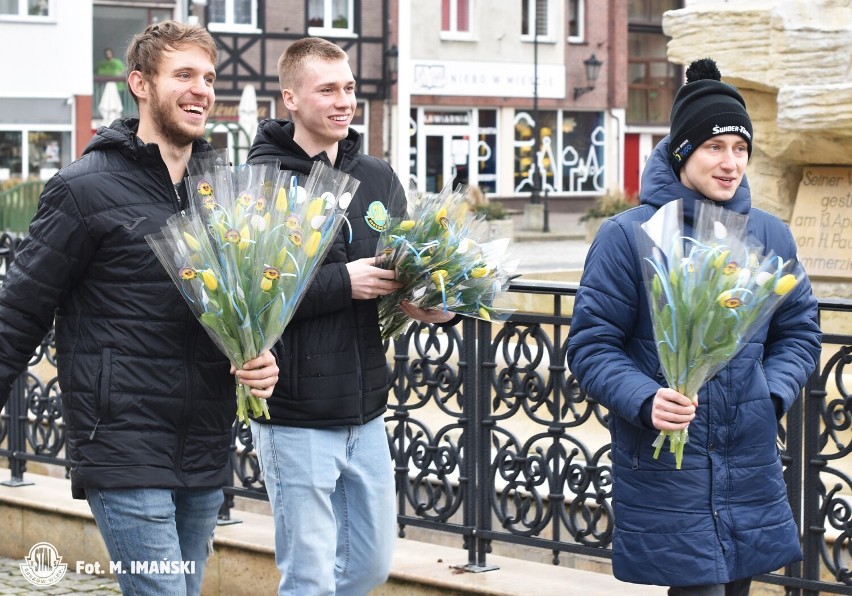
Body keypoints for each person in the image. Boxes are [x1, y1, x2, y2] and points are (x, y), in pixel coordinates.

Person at [0, 20, 279, 596]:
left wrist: (259, 354)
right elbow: (19, 310)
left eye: (208, 76)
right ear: (141, 84)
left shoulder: (221, 192)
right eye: (184, 75)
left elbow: (246, 303)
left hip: (204, 439)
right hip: (123, 438)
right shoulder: (83, 189)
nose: (202, 88)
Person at [566, 58, 821, 595]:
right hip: (668, 466)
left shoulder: (769, 237)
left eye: (741, 149)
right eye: (714, 147)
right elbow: (592, 347)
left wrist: (769, 394)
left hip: (747, 460)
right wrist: (645, 398)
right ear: (682, 152)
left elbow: (799, 331)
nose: (731, 163)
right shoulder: (628, 236)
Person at [246, 37, 455, 595]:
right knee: (309, 575)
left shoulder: (377, 176)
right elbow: (250, 296)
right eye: (328, 90)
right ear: (289, 97)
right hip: (294, 411)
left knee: (368, 567)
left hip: (365, 408)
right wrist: (346, 281)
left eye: (349, 89)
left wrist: (429, 301)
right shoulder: (262, 180)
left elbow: (408, 272)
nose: (345, 101)